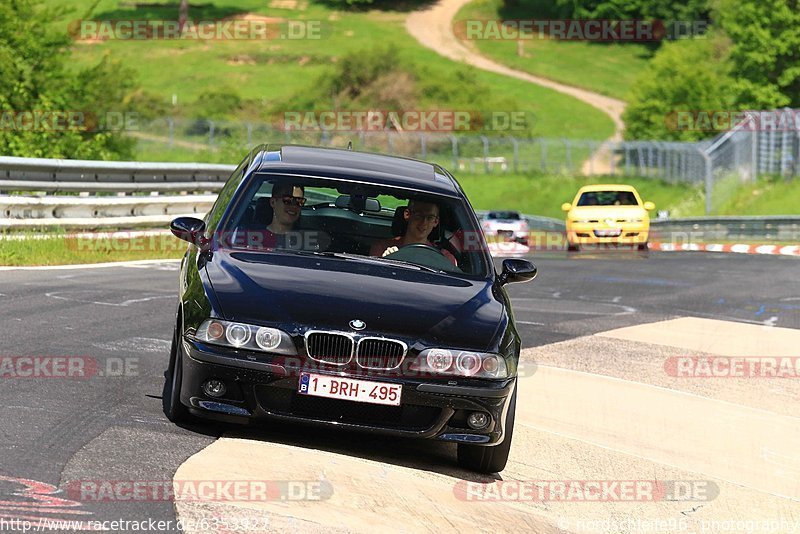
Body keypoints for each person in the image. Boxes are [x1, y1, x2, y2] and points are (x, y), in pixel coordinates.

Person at [370, 199, 457, 266]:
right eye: (419, 216)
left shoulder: (445, 258)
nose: (424, 223)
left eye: (430, 217)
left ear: (436, 221)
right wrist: (386, 261)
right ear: (407, 215)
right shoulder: (382, 248)